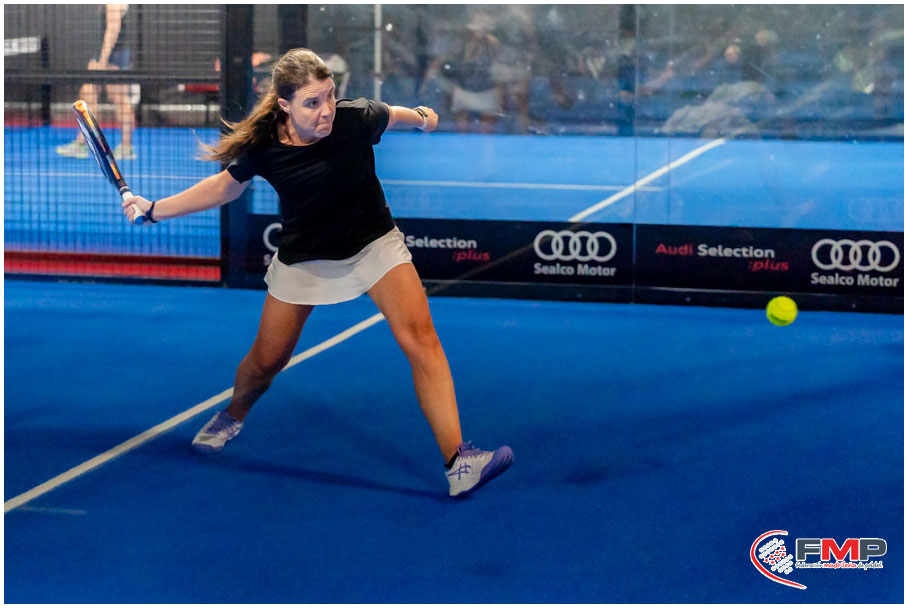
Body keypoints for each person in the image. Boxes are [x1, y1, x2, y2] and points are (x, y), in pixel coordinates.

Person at [121, 48, 513, 498]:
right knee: (266, 362)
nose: (326, 109)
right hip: (304, 259)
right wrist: (154, 209)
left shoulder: (353, 118)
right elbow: (225, 187)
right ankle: (233, 414)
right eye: (312, 102)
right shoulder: (265, 144)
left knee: (422, 339)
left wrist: (423, 118)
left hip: (374, 245)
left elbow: (394, 113)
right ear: (284, 105)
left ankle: (459, 463)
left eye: (329, 96)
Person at [57, 4, 138, 160]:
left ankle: (126, 147)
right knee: (88, 93)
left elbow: (113, 28)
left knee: (118, 98)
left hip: (112, 53)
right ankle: (82, 142)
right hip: (108, 51)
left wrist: (103, 60)